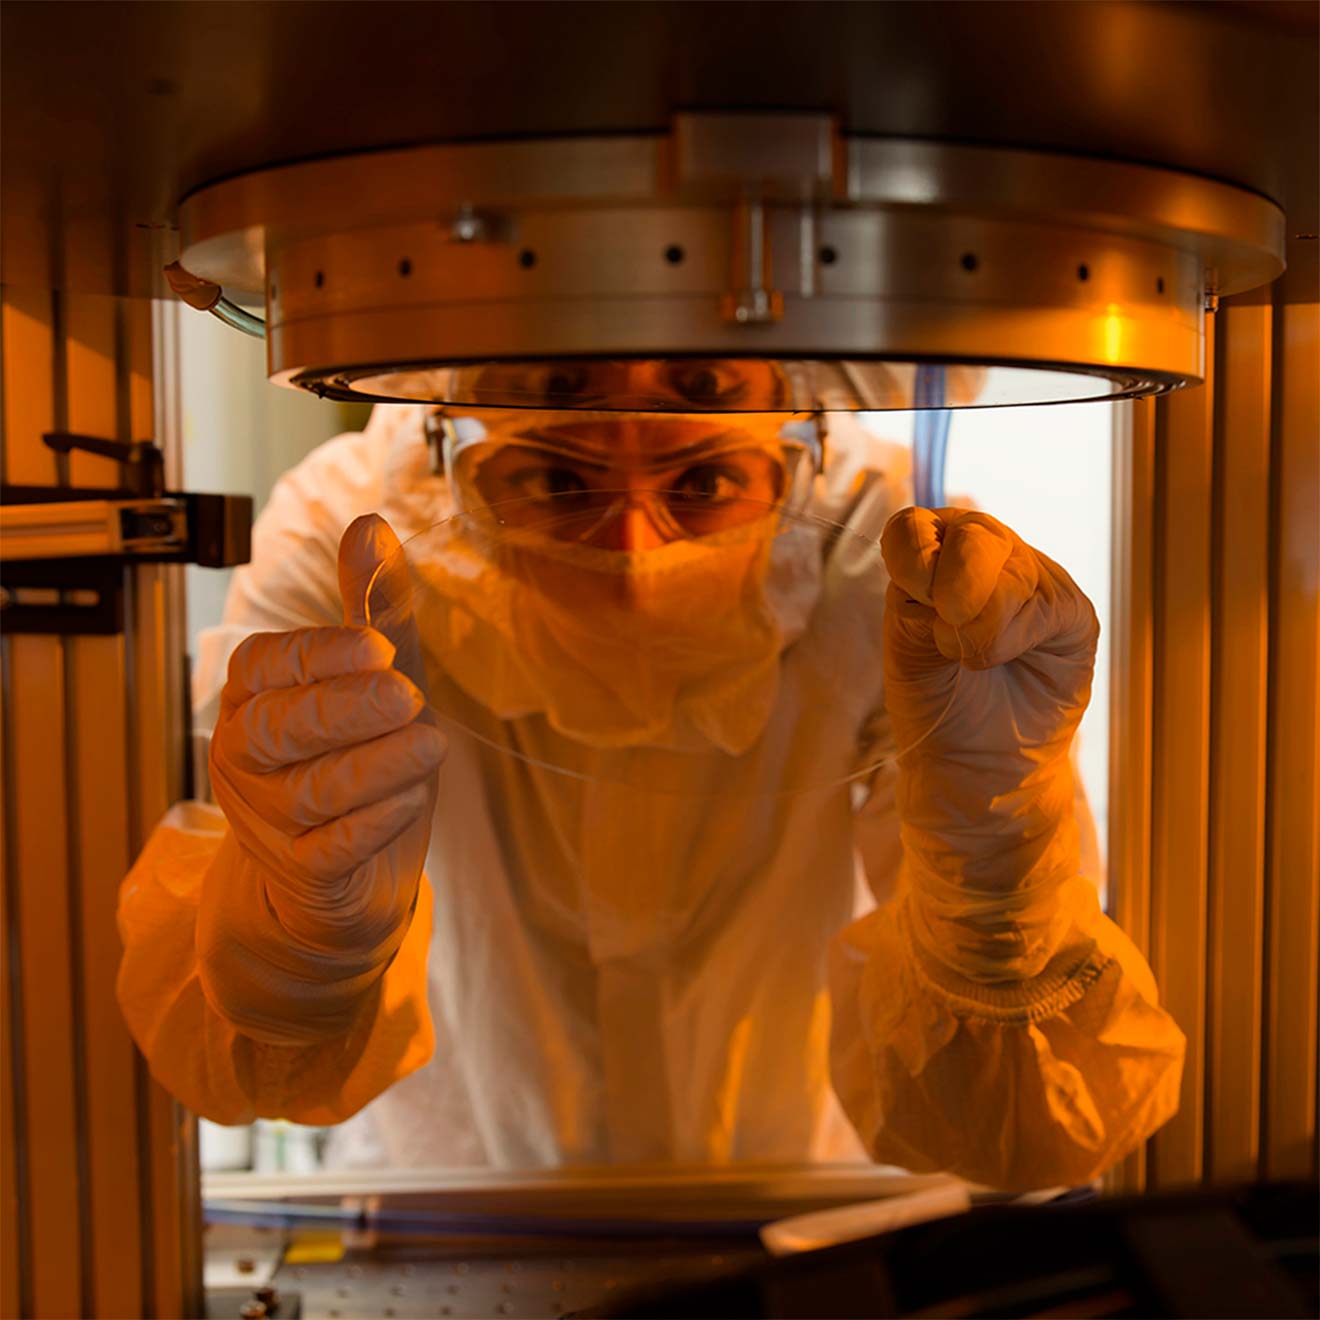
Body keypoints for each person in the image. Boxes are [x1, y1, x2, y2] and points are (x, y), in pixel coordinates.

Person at [117, 360, 1185, 1188]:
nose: (632, 546)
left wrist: (993, 890)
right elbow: (243, 1062)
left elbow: (1025, 1141)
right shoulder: (354, 539)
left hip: (797, 1216)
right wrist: (293, 947)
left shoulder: (877, 542)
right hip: (457, 1205)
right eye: (559, 468)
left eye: (703, 468)